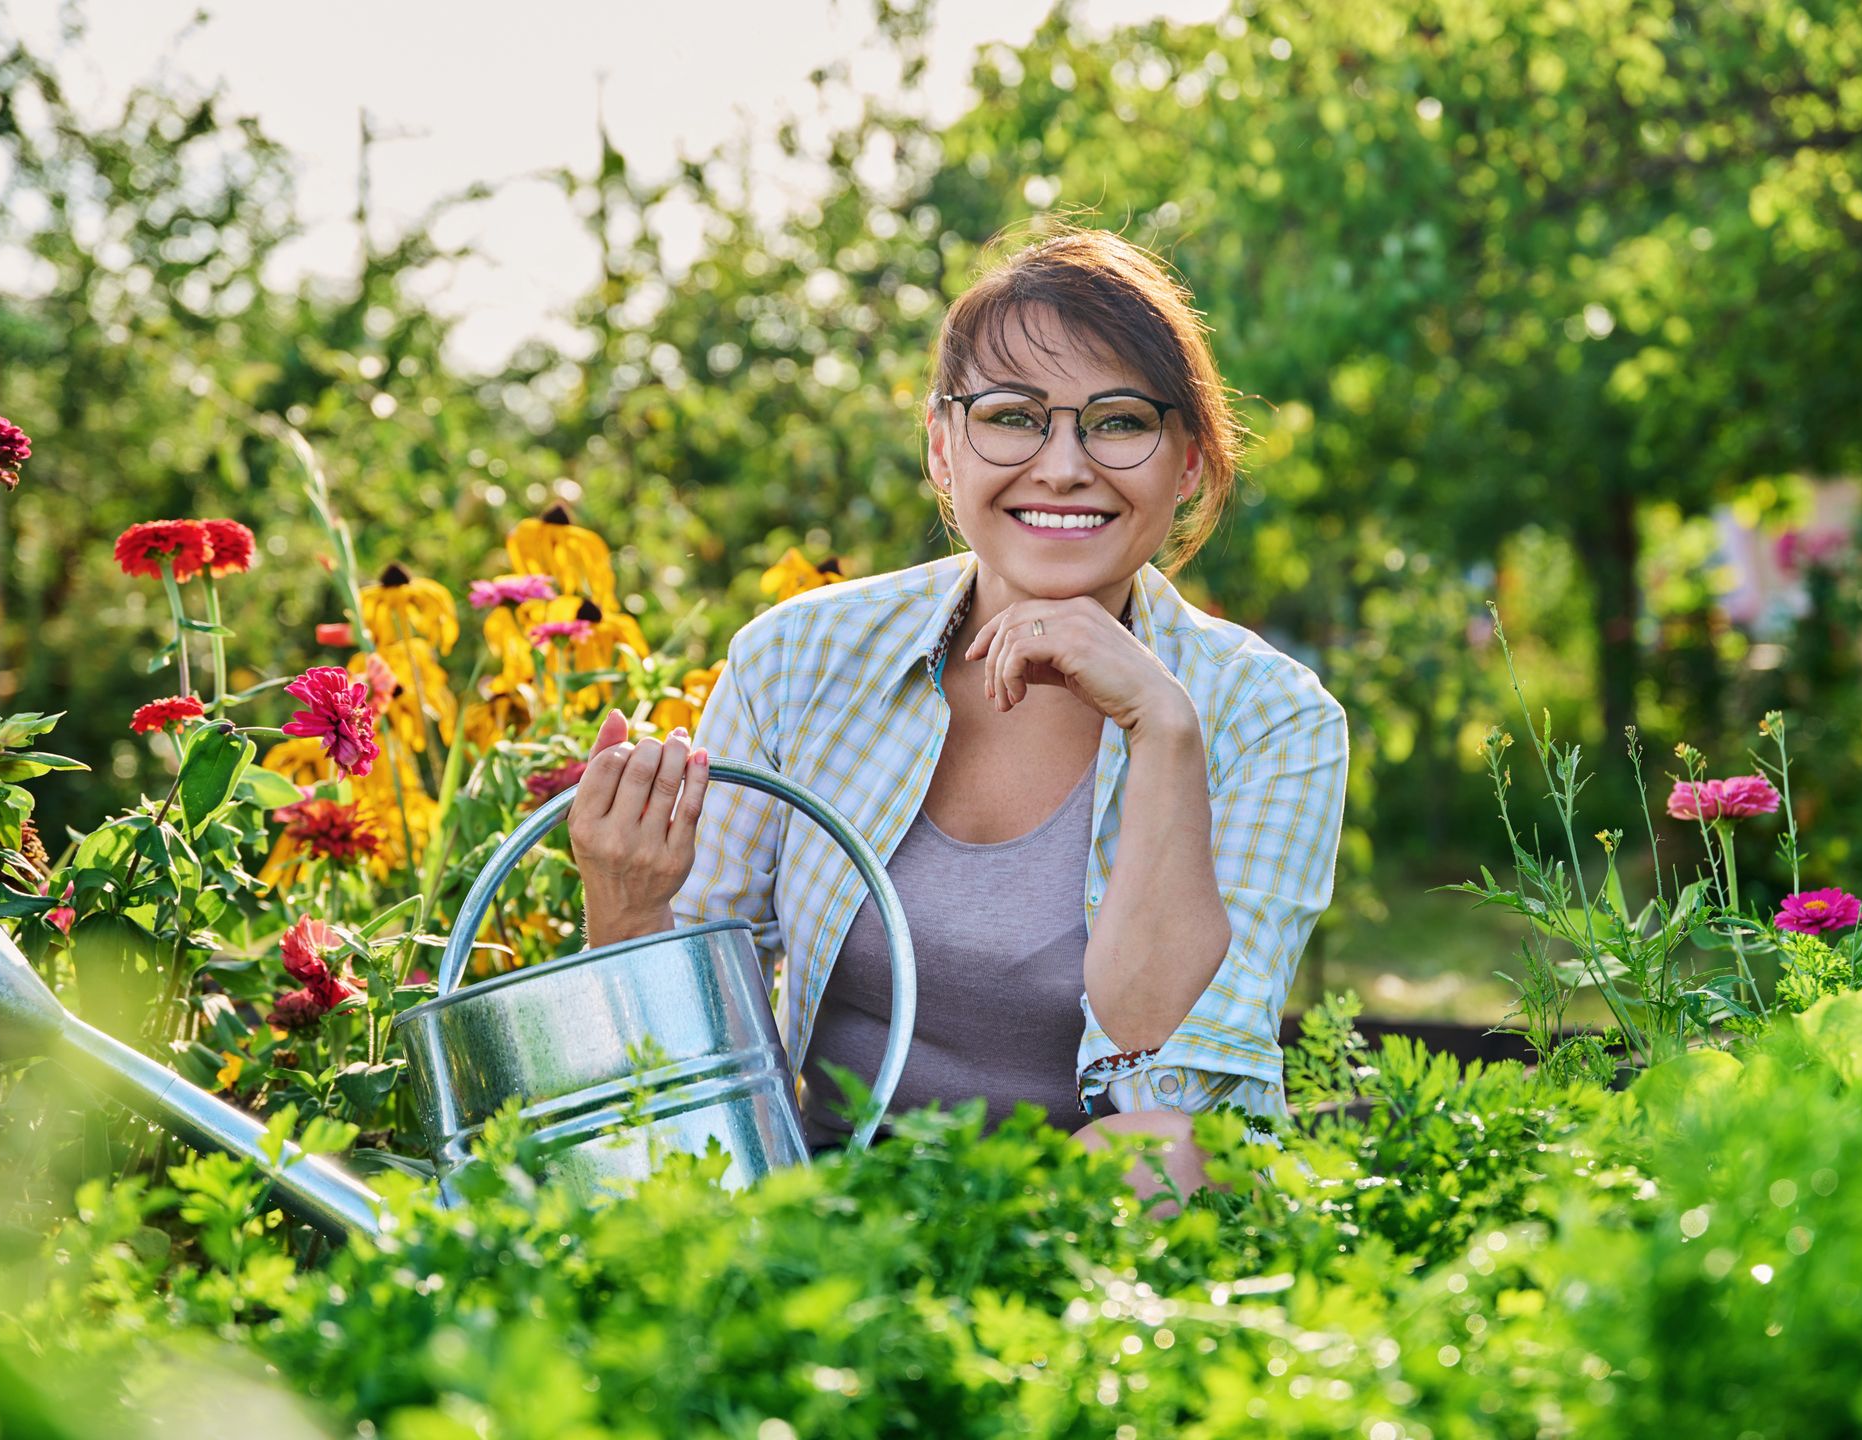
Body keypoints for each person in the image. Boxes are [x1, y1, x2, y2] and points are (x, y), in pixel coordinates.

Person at [566, 226, 1348, 1198]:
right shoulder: (797, 658)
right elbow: (676, 1080)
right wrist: (628, 907)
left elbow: (1173, 1074)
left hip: (1103, 1219)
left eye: (1116, 422)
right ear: (942, 450)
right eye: (1012, 416)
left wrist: (1163, 731)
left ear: (1185, 464)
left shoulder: (1272, 720)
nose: (1062, 466)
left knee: (1153, 1147)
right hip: (831, 1191)